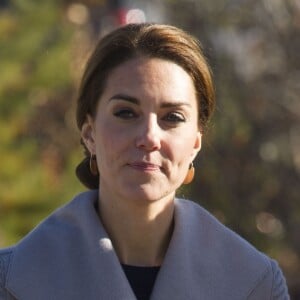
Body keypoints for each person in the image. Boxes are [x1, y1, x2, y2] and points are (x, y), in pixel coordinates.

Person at [0, 23, 289, 300]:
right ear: (89, 134)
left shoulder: (255, 285)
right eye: (126, 113)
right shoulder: (12, 282)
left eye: (172, 117)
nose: (149, 137)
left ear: (195, 144)